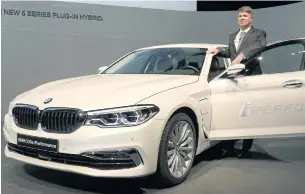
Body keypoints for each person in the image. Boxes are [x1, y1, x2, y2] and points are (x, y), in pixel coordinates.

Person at [207, 6, 267, 158]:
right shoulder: (233, 35)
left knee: (249, 114)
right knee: (234, 113)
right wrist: (219, 51)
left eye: (245, 16)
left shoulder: (259, 34)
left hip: (251, 77)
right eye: (240, 16)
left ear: (251, 18)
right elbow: (230, 52)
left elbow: (260, 46)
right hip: (235, 79)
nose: (242, 18)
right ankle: (229, 147)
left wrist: (242, 55)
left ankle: (246, 149)